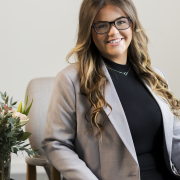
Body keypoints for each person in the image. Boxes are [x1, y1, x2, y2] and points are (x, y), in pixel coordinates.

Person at [41, 0, 180, 180]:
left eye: (121, 22)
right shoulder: (71, 79)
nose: (113, 31)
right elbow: (56, 144)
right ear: (89, 32)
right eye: (102, 26)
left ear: (132, 24)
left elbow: (176, 139)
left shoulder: (155, 76)